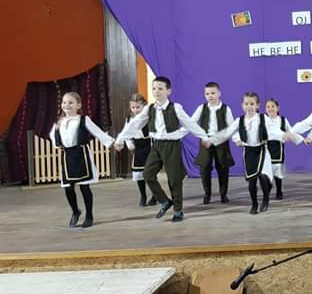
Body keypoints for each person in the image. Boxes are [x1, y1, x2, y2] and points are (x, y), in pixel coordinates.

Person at [115, 76, 210, 223]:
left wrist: (203, 136)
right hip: (156, 145)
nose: (156, 91)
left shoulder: (175, 108)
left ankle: (178, 210)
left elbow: (189, 123)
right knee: (147, 174)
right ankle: (165, 201)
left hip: (171, 146)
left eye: (160, 88)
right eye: (154, 88)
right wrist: (120, 139)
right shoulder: (149, 108)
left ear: (168, 91)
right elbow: (134, 124)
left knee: (174, 179)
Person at [50, 92, 115, 228]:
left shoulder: (83, 120)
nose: (67, 105)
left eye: (70, 102)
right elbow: (53, 136)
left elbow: (97, 132)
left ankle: (89, 215)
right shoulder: (59, 122)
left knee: (84, 186)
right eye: (64, 102)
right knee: (68, 187)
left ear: (78, 105)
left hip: (82, 155)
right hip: (67, 156)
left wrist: (112, 143)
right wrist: (57, 143)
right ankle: (75, 211)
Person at [211, 92, 274, 214]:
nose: (249, 107)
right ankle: (254, 204)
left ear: (257, 105)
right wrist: (234, 140)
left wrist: (273, 137)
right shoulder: (240, 120)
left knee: (263, 177)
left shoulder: (263, 118)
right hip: (248, 151)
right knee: (251, 180)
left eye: (252, 104)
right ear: (242, 105)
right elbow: (229, 132)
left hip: (261, 150)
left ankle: (265, 200)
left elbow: (272, 130)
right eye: (246, 104)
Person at [190, 82, 235, 204]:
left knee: (223, 167)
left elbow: (232, 127)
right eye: (207, 94)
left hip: (221, 140)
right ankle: (207, 193)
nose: (210, 96)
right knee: (204, 167)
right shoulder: (202, 108)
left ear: (219, 93)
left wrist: (236, 139)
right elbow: (191, 123)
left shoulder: (225, 109)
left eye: (213, 93)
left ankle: (223, 194)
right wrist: (202, 136)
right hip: (206, 140)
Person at [120, 93, 156, 207]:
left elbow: (154, 133)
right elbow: (125, 133)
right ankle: (143, 195)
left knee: (150, 173)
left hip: (149, 146)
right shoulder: (129, 119)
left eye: (138, 107)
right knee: (138, 174)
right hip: (138, 148)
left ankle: (155, 195)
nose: (135, 110)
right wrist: (129, 144)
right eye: (133, 107)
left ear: (144, 106)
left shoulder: (148, 118)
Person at [264, 98, 303, 200]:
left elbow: (290, 131)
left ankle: (279, 190)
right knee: (266, 169)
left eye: (273, 106)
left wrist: (301, 140)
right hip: (266, 147)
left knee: (277, 168)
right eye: (268, 107)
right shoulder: (263, 120)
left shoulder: (282, 120)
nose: (270, 109)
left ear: (278, 108)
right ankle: (267, 188)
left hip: (278, 147)